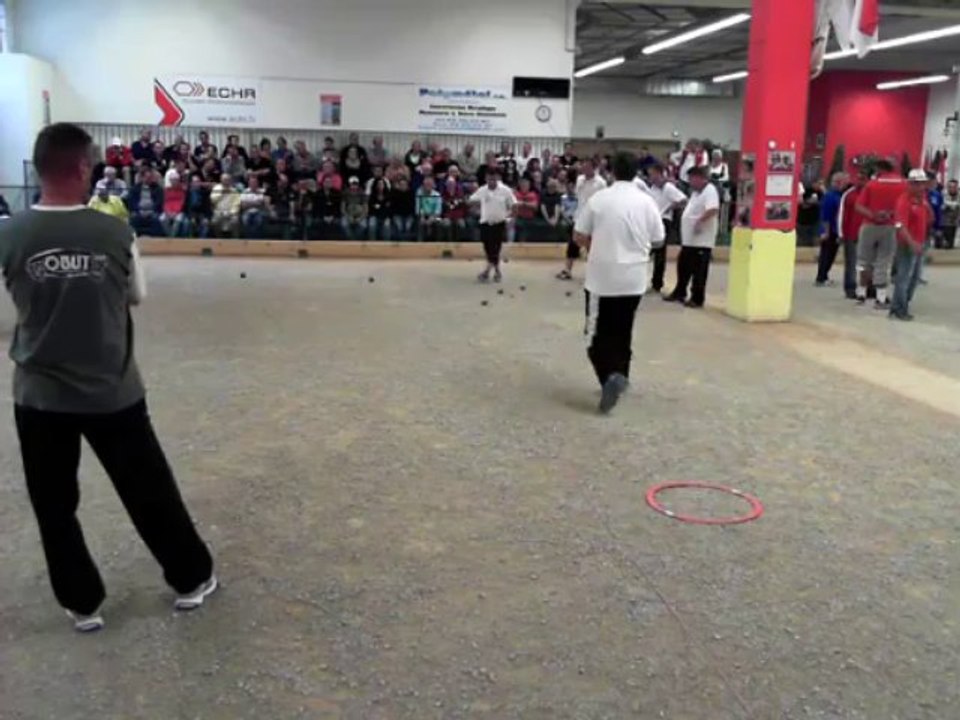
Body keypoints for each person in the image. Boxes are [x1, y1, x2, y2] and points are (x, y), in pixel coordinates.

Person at [0, 123, 216, 633]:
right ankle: (190, 578)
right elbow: (137, 295)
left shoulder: (9, 233)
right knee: (149, 490)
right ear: (81, 168)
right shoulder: (116, 232)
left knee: (54, 504)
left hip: (40, 395)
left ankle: (82, 603)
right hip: (112, 391)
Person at [573, 152, 664, 414]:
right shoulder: (647, 201)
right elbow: (658, 239)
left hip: (602, 278)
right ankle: (622, 375)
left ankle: (608, 378)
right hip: (634, 278)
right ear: (637, 173)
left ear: (611, 171)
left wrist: (594, 246)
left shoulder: (599, 199)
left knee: (595, 337)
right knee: (623, 330)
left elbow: (579, 234)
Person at [666, 166, 720, 308]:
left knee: (699, 271)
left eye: (691, 179)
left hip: (702, 241)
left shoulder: (710, 190)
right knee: (683, 266)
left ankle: (697, 298)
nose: (689, 182)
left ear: (700, 178)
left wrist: (700, 221)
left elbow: (713, 209)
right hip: (689, 241)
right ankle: (680, 291)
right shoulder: (695, 193)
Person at [855, 159, 906, 307]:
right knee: (884, 261)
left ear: (879, 169)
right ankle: (881, 297)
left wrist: (873, 215)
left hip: (869, 225)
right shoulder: (903, 185)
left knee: (864, 260)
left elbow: (859, 206)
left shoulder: (872, 184)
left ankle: (861, 293)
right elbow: (903, 207)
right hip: (890, 226)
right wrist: (890, 214)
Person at [889, 170, 934, 321]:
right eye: (917, 184)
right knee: (904, 277)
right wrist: (911, 242)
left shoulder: (922, 200)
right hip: (907, 244)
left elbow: (930, 219)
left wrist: (926, 206)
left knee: (914, 278)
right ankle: (898, 309)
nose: (921, 187)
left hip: (920, 242)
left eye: (922, 184)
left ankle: (901, 304)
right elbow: (899, 225)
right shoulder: (904, 201)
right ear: (910, 184)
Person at [558, 159, 606, 281]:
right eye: (583, 167)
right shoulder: (579, 179)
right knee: (573, 244)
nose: (584, 169)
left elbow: (604, 201)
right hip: (579, 216)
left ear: (593, 168)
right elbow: (577, 196)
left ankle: (595, 273)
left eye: (587, 167)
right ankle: (567, 270)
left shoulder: (601, 183)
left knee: (592, 247)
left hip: (594, 219)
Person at [644, 163, 687, 294]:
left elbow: (683, 199)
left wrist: (670, 207)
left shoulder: (668, 187)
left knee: (659, 253)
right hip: (652, 221)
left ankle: (657, 283)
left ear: (659, 173)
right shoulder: (652, 188)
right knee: (648, 251)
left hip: (663, 220)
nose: (650, 177)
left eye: (652, 174)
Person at [468, 170, 516, 283]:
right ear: (486, 179)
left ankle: (490, 271)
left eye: (494, 179)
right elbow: (471, 200)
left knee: (496, 248)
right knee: (488, 248)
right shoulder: (482, 190)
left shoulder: (505, 190)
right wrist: (476, 208)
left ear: (497, 178)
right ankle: (494, 270)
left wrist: (511, 218)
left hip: (499, 223)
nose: (491, 181)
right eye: (489, 179)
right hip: (485, 222)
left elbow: (514, 204)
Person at [838, 170, 868, 299]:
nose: (860, 181)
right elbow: (842, 214)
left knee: (868, 263)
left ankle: (868, 287)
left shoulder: (871, 194)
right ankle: (850, 287)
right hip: (851, 234)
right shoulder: (848, 195)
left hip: (868, 234)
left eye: (863, 179)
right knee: (851, 263)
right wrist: (841, 233)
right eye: (859, 178)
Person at [816, 172, 846, 287]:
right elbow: (826, 216)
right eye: (842, 182)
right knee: (826, 254)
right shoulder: (830, 196)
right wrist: (825, 231)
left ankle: (824, 275)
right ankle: (821, 277)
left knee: (831, 254)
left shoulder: (838, 195)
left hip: (835, 229)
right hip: (830, 230)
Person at [126, 169, 165, 237]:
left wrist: (150, 211)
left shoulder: (157, 188)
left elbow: (159, 202)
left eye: (150, 178)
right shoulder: (135, 188)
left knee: (157, 223)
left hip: (152, 212)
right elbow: (132, 202)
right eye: (147, 177)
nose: (149, 179)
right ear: (142, 178)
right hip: (138, 212)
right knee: (133, 221)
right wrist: (138, 211)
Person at [210, 174, 242, 238]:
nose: (226, 181)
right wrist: (221, 193)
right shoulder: (216, 188)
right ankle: (218, 238)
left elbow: (237, 204)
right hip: (219, 212)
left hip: (231, 213)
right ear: (221, 180)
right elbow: (213, 200)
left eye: (227, 180)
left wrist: (231, 213)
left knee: (235, 221)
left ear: (230, 181)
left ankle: (235, 240)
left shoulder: (234, 190)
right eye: (224, 180)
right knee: (214, 222)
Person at [312, 175, 342, 240]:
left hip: (334, 215)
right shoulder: (318, 193)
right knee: (317, 222)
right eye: (326, 182)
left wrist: (332, 216)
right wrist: (323, 217)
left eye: (330, 182)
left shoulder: (337, 193)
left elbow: (338, 207)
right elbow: (316, 208)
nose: (328, 183)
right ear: (323, 183)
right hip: (321, 215)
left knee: (337, 223)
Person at [160, 172, 188, 237]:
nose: (174, 182)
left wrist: (175, 213)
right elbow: (165, 202)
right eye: (172, 180)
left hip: (178, 212)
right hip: (168, 212)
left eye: (175, 180)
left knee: (178, 220)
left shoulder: (182, 190)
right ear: (170, 181)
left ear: (178, 181)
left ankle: (172, 238)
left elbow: (181, 203)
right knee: (162, 219)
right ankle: (170, 236)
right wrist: (168, 212)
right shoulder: (166, 190)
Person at [512, 177, 540, 242]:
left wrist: (524, 203)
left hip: (530, 219)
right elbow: (512, 205)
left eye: (526, 185)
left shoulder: (533, 194)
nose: (524, 186)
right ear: (520, 186)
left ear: (529, 186)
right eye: (523, 185)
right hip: (518, 218)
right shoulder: (516, 194)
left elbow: (535, 206)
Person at [796, 180, 823, 247]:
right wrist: (809, 202)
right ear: (813, 183)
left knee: (815, 239)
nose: (819, 185)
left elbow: (822, 203)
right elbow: (801, 204)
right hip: (803, 220)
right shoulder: (805, 191)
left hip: (815, 220)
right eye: (818, 183)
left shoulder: (820, 192)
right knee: (802, 241)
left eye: (821, 184)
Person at [416, 176, 443, 241]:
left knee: (439, 222)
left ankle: (437, 243)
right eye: (426, 184)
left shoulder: (437, 195)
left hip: (435, 216)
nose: (428, 186)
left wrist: (432, 218)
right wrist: (422, 216)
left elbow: (438, 209)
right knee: (420, 223)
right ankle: (420, 243)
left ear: (433, 185)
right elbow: (418, 207)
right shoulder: (419, 193)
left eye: (429, 184)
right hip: (422, 215)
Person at [390, 177, 416, 241]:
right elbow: (393, 207)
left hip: (409, 215)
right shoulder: (395, 193)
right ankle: (400, 243)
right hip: (397, 215)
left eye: (404, 185)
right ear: (399, 185)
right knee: (400, 227)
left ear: (407, 186)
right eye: (401, 185)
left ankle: (407, 243)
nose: (403, 186)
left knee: (407, 227)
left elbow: (412, 207)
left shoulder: (411, 193)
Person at [540, 178, 564, 243]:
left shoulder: (557, 194)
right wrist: (548, 219)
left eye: (553, 186)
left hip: (555, 216)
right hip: (545, 216)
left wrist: (555, 219)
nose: (552, 188)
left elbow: (557, 207)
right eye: (550, 186)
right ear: (547, 186)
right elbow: (542, 207)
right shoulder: (543, 193)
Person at [942, 179, 959, 250]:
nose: (952, 189)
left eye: (954, 187)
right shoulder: (943, 194)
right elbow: (943, 204)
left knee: (952, 244)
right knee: (947, 244)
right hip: (945, 222)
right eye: (950, 187)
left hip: (956, 221)